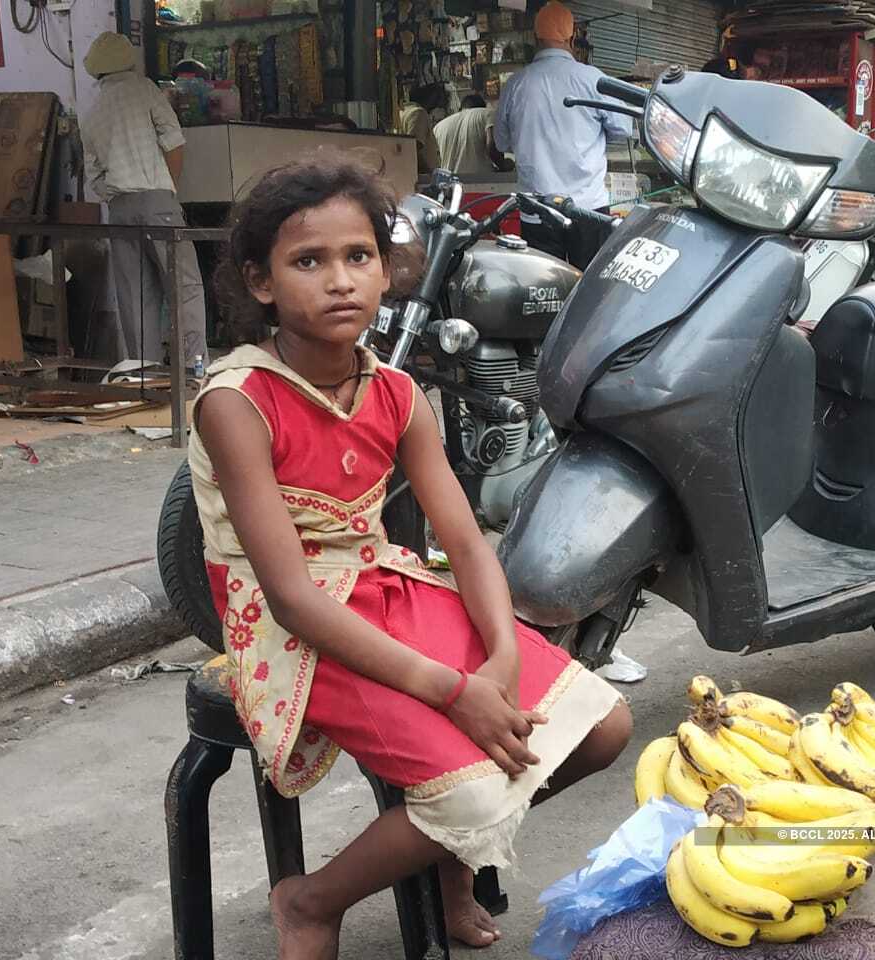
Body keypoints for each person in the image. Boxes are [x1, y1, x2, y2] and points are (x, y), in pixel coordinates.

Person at [191, 155, 632, 958]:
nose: (340, 281)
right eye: (308, 261)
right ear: (260, 282)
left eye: (359, 256)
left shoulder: (396, 393)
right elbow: (290, 596)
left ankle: (444, 861)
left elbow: (463, 540)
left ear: (386, 269)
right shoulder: (237, 401)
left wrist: (500, 655)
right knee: (473, 789)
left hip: (385, 587)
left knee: (602, 727)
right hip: (295, 627)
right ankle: (311, 900)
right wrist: (454, 690)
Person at [80, 31, 208, 369]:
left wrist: (121, 197)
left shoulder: (92, 112)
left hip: (120, 210)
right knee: (184, 289)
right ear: (128, 61)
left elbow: (94, 176)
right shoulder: (146, 90)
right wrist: (167, 190)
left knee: (135, 296)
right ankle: (194, 368)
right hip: (158, 202)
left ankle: (143, 375)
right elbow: (174, 142)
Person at [494, 1, 634, 257]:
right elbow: (623, 129)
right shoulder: (593, 79)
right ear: (572, 36)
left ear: (535, 37)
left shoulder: (515, 84)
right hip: (588, 208)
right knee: (589, 280)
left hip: (538, 209)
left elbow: (501, 143)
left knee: (544, 280)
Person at [432, 94, 512, 177]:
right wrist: (503, 166)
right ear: (482, 107)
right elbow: (492, 145)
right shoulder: (489, 114)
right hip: (480, 179)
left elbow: (434, 160)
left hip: (449, 181)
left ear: (461, 109)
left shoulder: (438, 127)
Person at [398, 83, 446, 176]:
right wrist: (430, 172)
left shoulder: (404, 111)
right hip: (422, 176)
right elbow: (415, 149)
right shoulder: (418, 113)